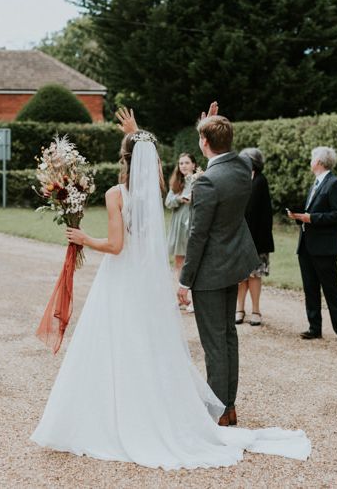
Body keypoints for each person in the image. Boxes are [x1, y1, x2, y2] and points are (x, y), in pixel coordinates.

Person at [31, 107, 310, 468]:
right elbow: (150, 158)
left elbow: (117, 246)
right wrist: (158, 131)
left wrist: (83, 237)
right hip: (173, 272)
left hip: (127, 276)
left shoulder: (118, 193)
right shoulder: (204, 176)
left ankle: (161, 408)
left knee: (122, 341)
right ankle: (223, 404)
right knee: (177, 340)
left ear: (124, 158)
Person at [177, 107, 261, 428]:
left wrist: (185, 282)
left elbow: (197, 237)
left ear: (204, 142)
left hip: (211, 272)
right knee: (227, 337)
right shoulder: (242, 165)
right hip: (235, 265)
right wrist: (211, 121)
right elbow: (219, 144)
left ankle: (219, 412)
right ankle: (229, 406)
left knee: (214, 344)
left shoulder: (207, 182)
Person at [288, 146, 337, 345]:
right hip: (306, 245)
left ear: (319, 162)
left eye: (312, 158)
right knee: (310, 287)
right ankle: (314, 327)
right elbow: (311, 214)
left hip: (324, 247)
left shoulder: (334, 184)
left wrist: (312, 218)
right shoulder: (315, 184)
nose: (310, 161)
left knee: (331, 288)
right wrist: (299, 218)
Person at [235, 148, 274, 327]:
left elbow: (258, 213)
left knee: (254, 275)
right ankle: (239, 309)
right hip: (239, 236)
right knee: (240, 276)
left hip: (256, 238)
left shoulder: (260, 181)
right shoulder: (240, 179)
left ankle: (256, 310)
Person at [165, 152, 200, 311]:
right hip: (179, 225)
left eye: (186, 163)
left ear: (193, 164)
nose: (183, 166)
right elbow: (168, 202)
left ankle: (192, 298)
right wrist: (179, 199)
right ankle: (181, 297)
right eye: (181, 163)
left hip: (193, 224)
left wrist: (193, 199)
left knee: (193, 262)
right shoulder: (176, 182)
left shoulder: (199, 180)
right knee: (179, 262)